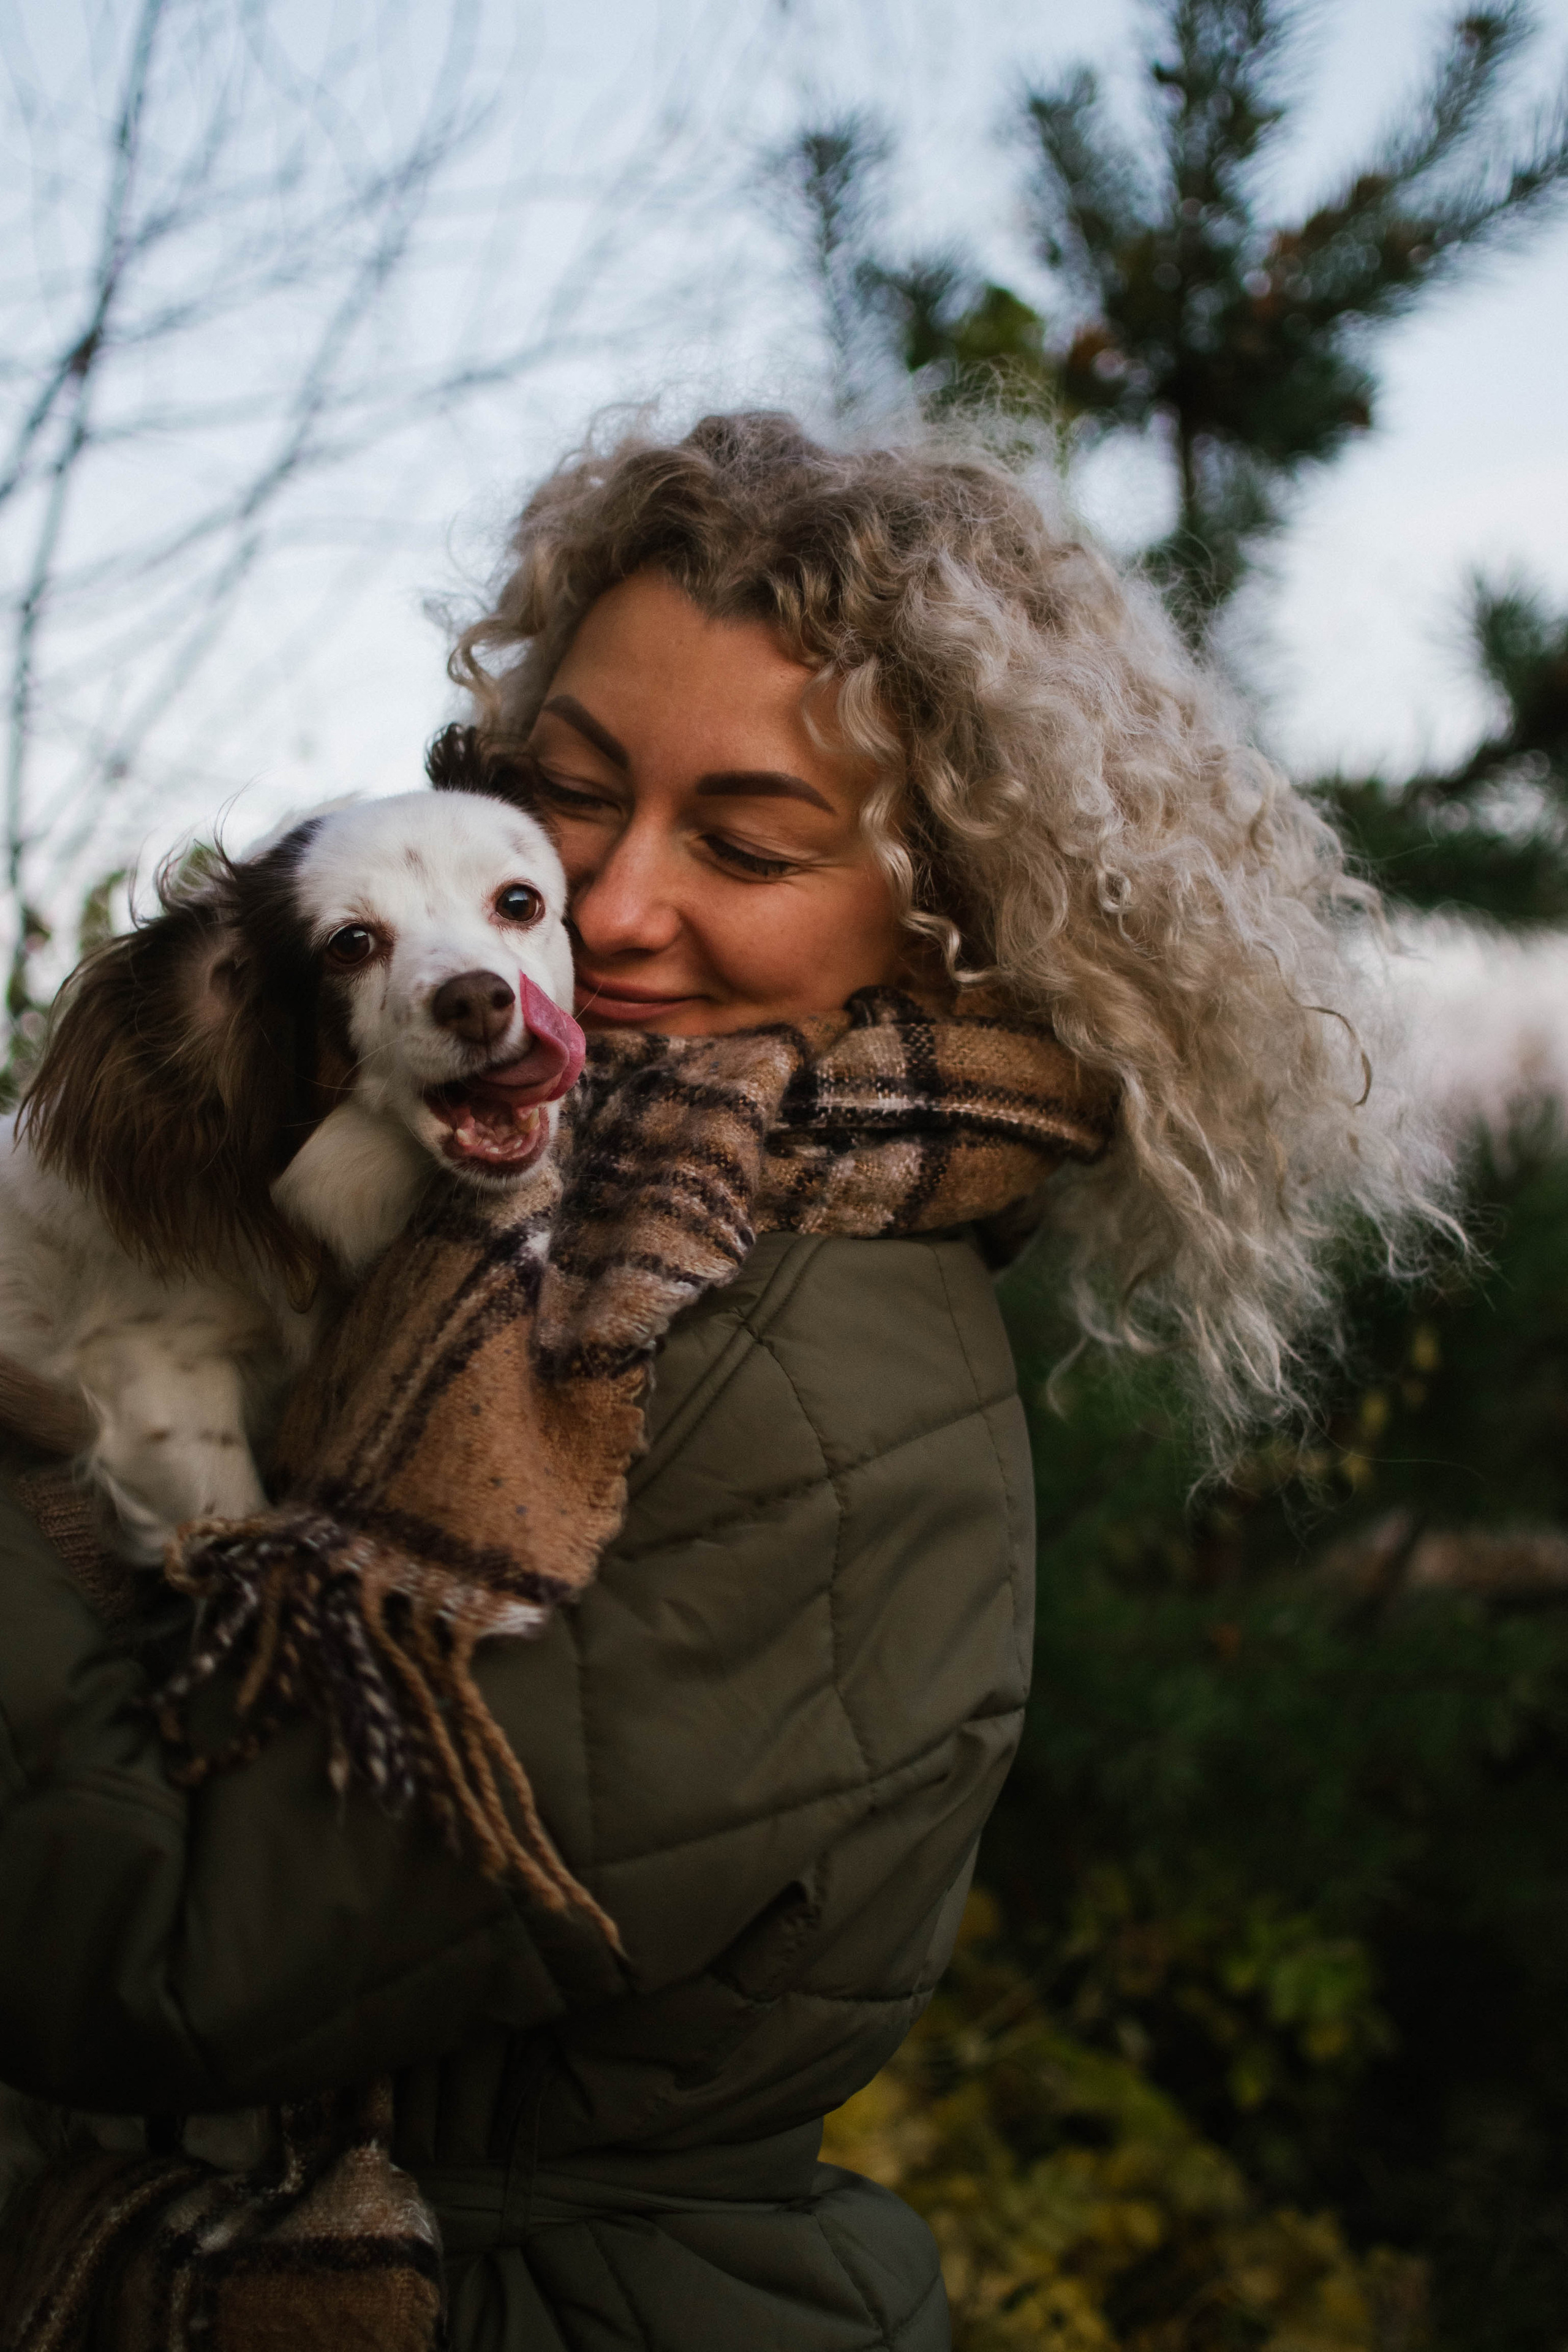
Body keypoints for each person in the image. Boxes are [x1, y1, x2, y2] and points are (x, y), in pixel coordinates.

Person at [0, 412, 1440, 2350]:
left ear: (962, 923)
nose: (598, 913)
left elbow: (169, 1960)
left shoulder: (757, 1354)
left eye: (747, 844)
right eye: (566, 796)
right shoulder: (529, 1205)